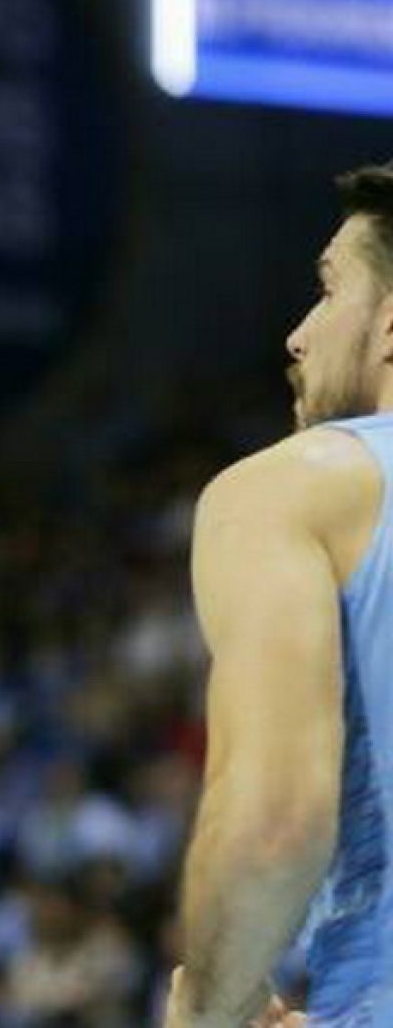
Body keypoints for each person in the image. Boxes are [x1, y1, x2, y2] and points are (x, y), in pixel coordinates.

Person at [164, 160, 393, 1028]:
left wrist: (208, 1007)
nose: (298, 335)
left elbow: (275, 826)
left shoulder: (292, 488)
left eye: (329, 291)